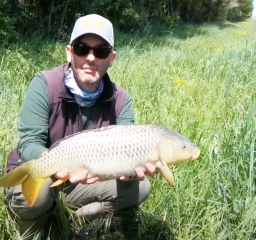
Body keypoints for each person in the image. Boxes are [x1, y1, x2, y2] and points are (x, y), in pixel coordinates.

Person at [3, 14, 158, 239]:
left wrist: (132, 172)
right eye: (82, 48)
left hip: (87, 182)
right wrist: (58, 165)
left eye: (101, 51)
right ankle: (34, 228)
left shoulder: (121, 100)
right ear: (69, 52)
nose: (91, 57)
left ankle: (71, 221)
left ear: (111, 58)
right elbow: (29, 143)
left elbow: (128, 154)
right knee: (41, 191)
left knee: (140, 188)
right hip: (41, 175)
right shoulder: (45, 84)